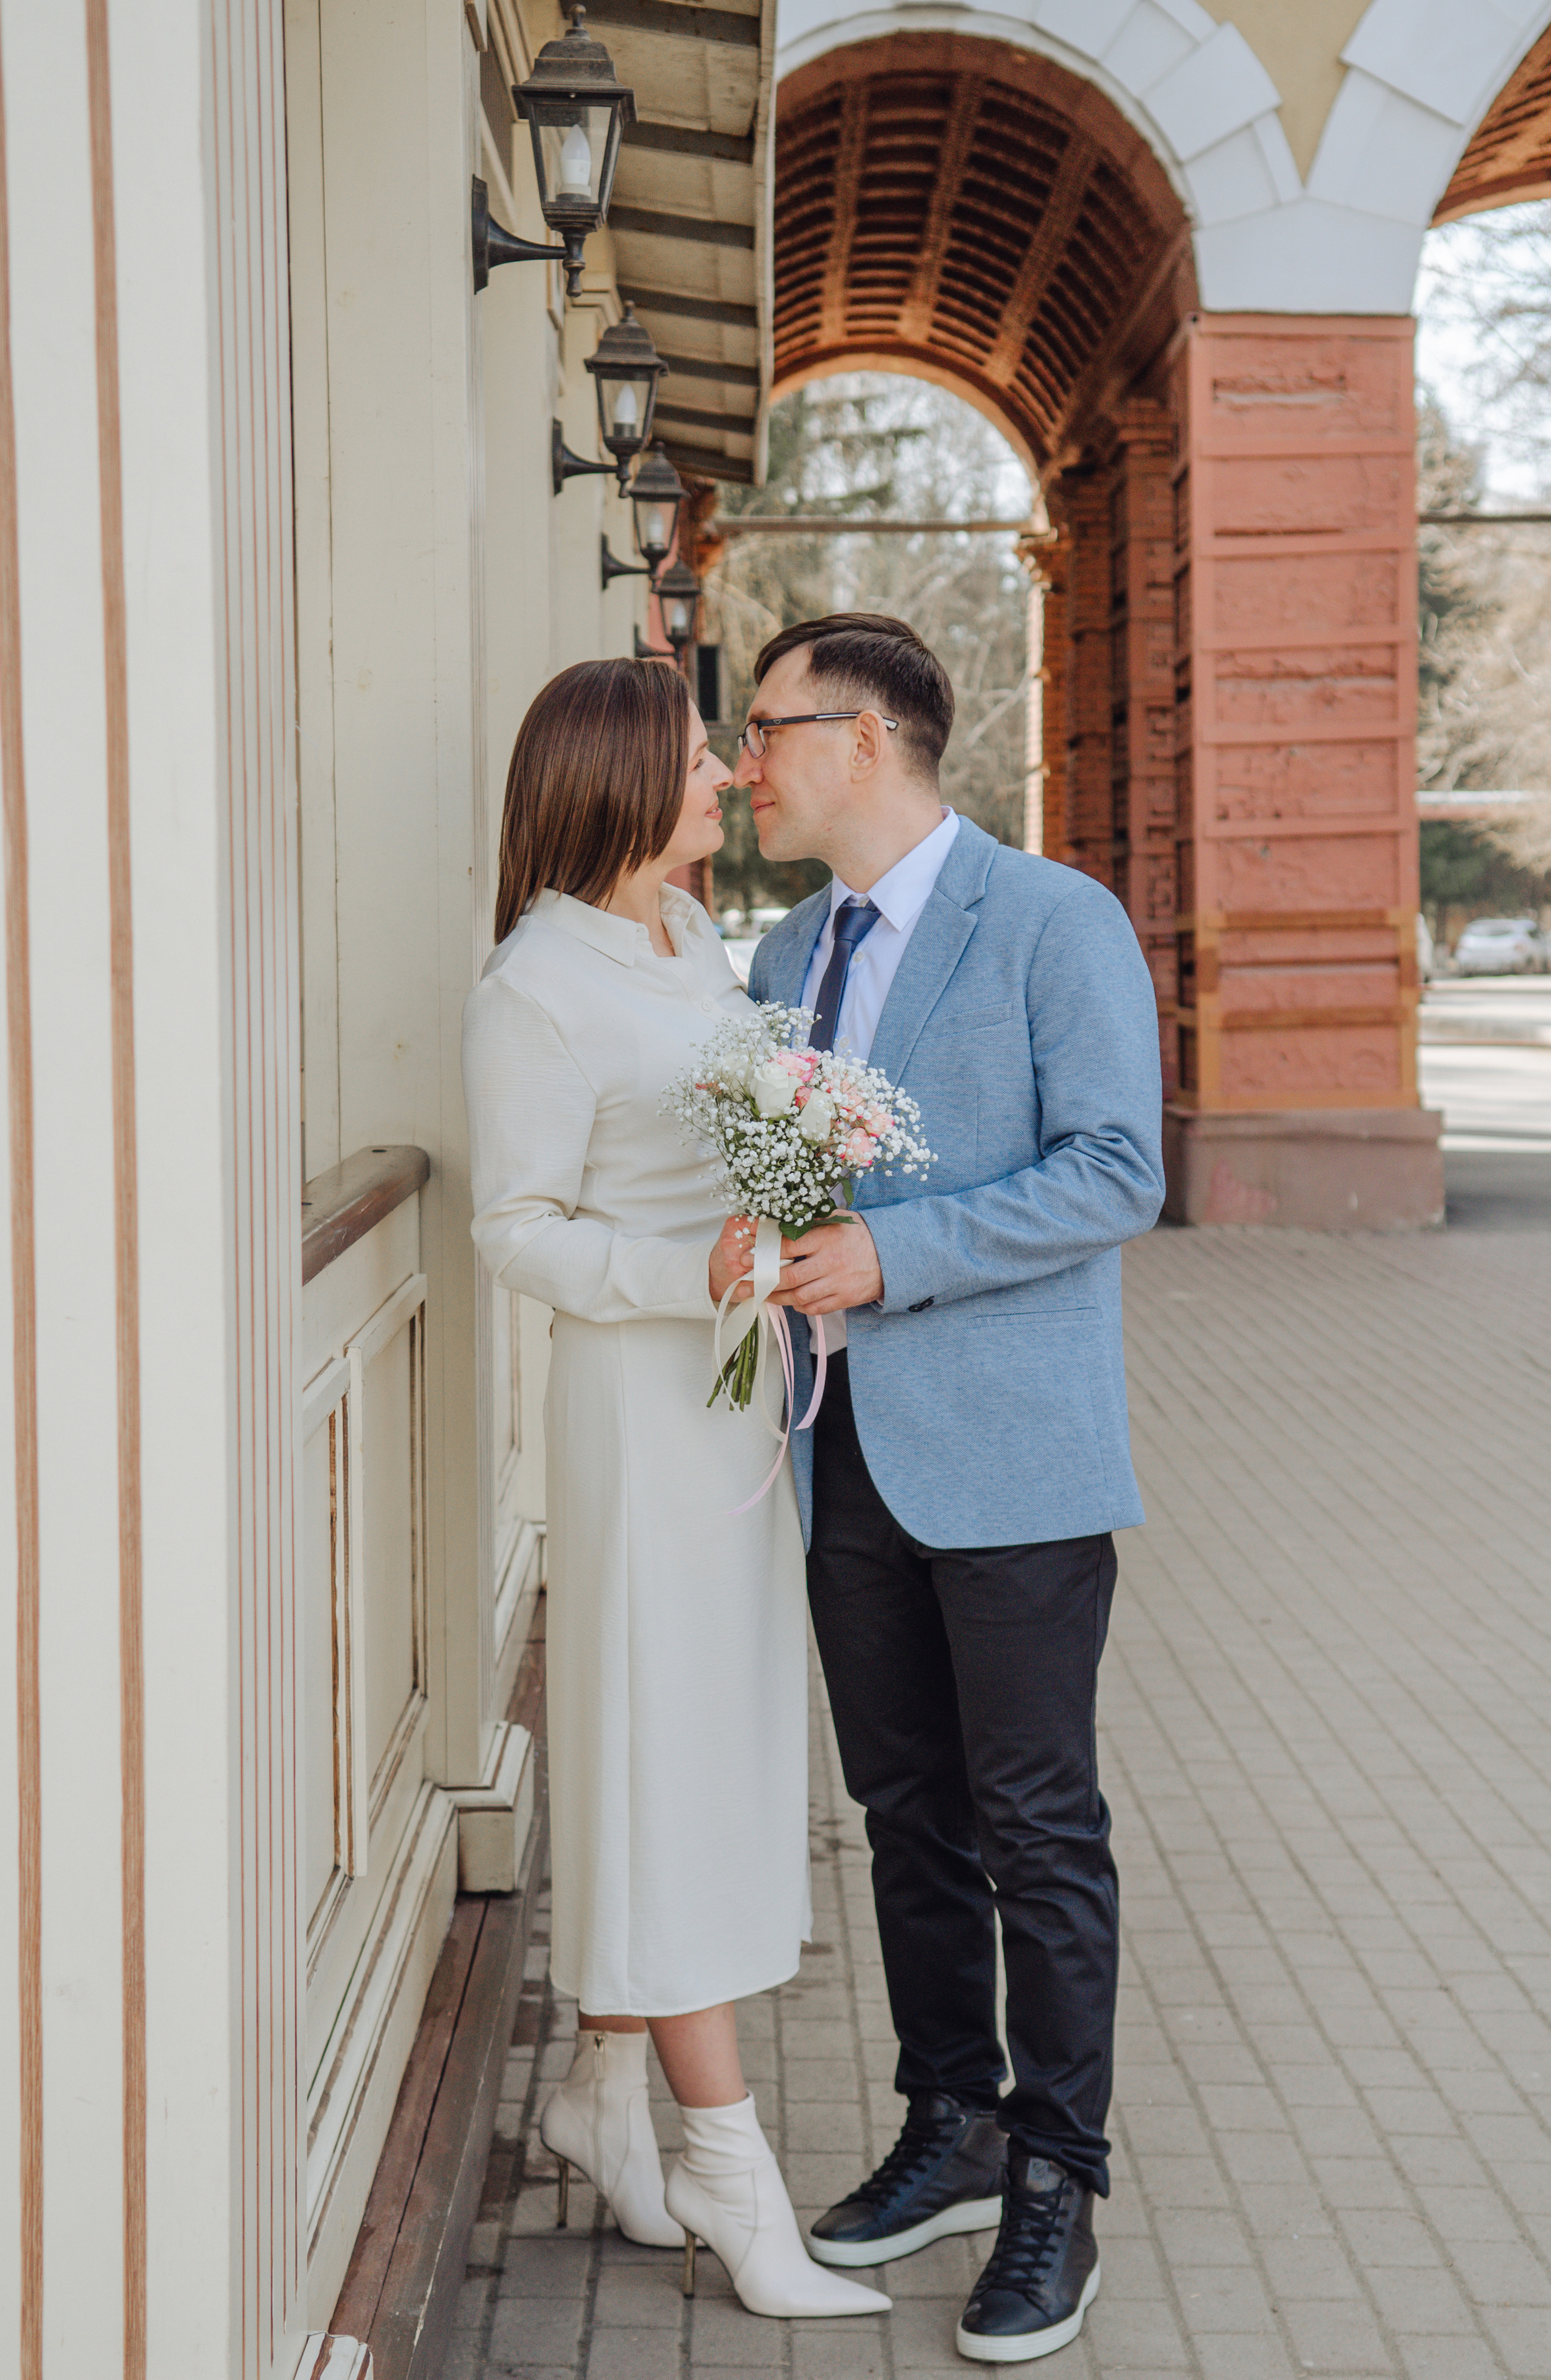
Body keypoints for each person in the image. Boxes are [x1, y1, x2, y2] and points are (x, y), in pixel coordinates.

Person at [738, 615, 1164, 2364]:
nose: (742, 757)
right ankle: (955, 2121)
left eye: (765, 727)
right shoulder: (780, 952)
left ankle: (1060, 2170)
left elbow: (1117, 1168)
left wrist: (888, 1255)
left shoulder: (1055, 920)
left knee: (1039, 1829)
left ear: (868, 735)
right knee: (907, 1818)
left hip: (1013, 1456)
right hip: (837, 1454)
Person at [462, 658, 887, 2323]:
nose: (726, 780)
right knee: (667, 1758)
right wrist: (685, 1264)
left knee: (708, 1750)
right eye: (706, 758)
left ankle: (600, 2084)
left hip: (732, 1409)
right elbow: (515, 1229)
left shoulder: (689, 939)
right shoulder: (533, 989)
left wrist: (800, 1180)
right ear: (624, 782)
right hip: (641, 1416)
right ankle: (728, 2165)